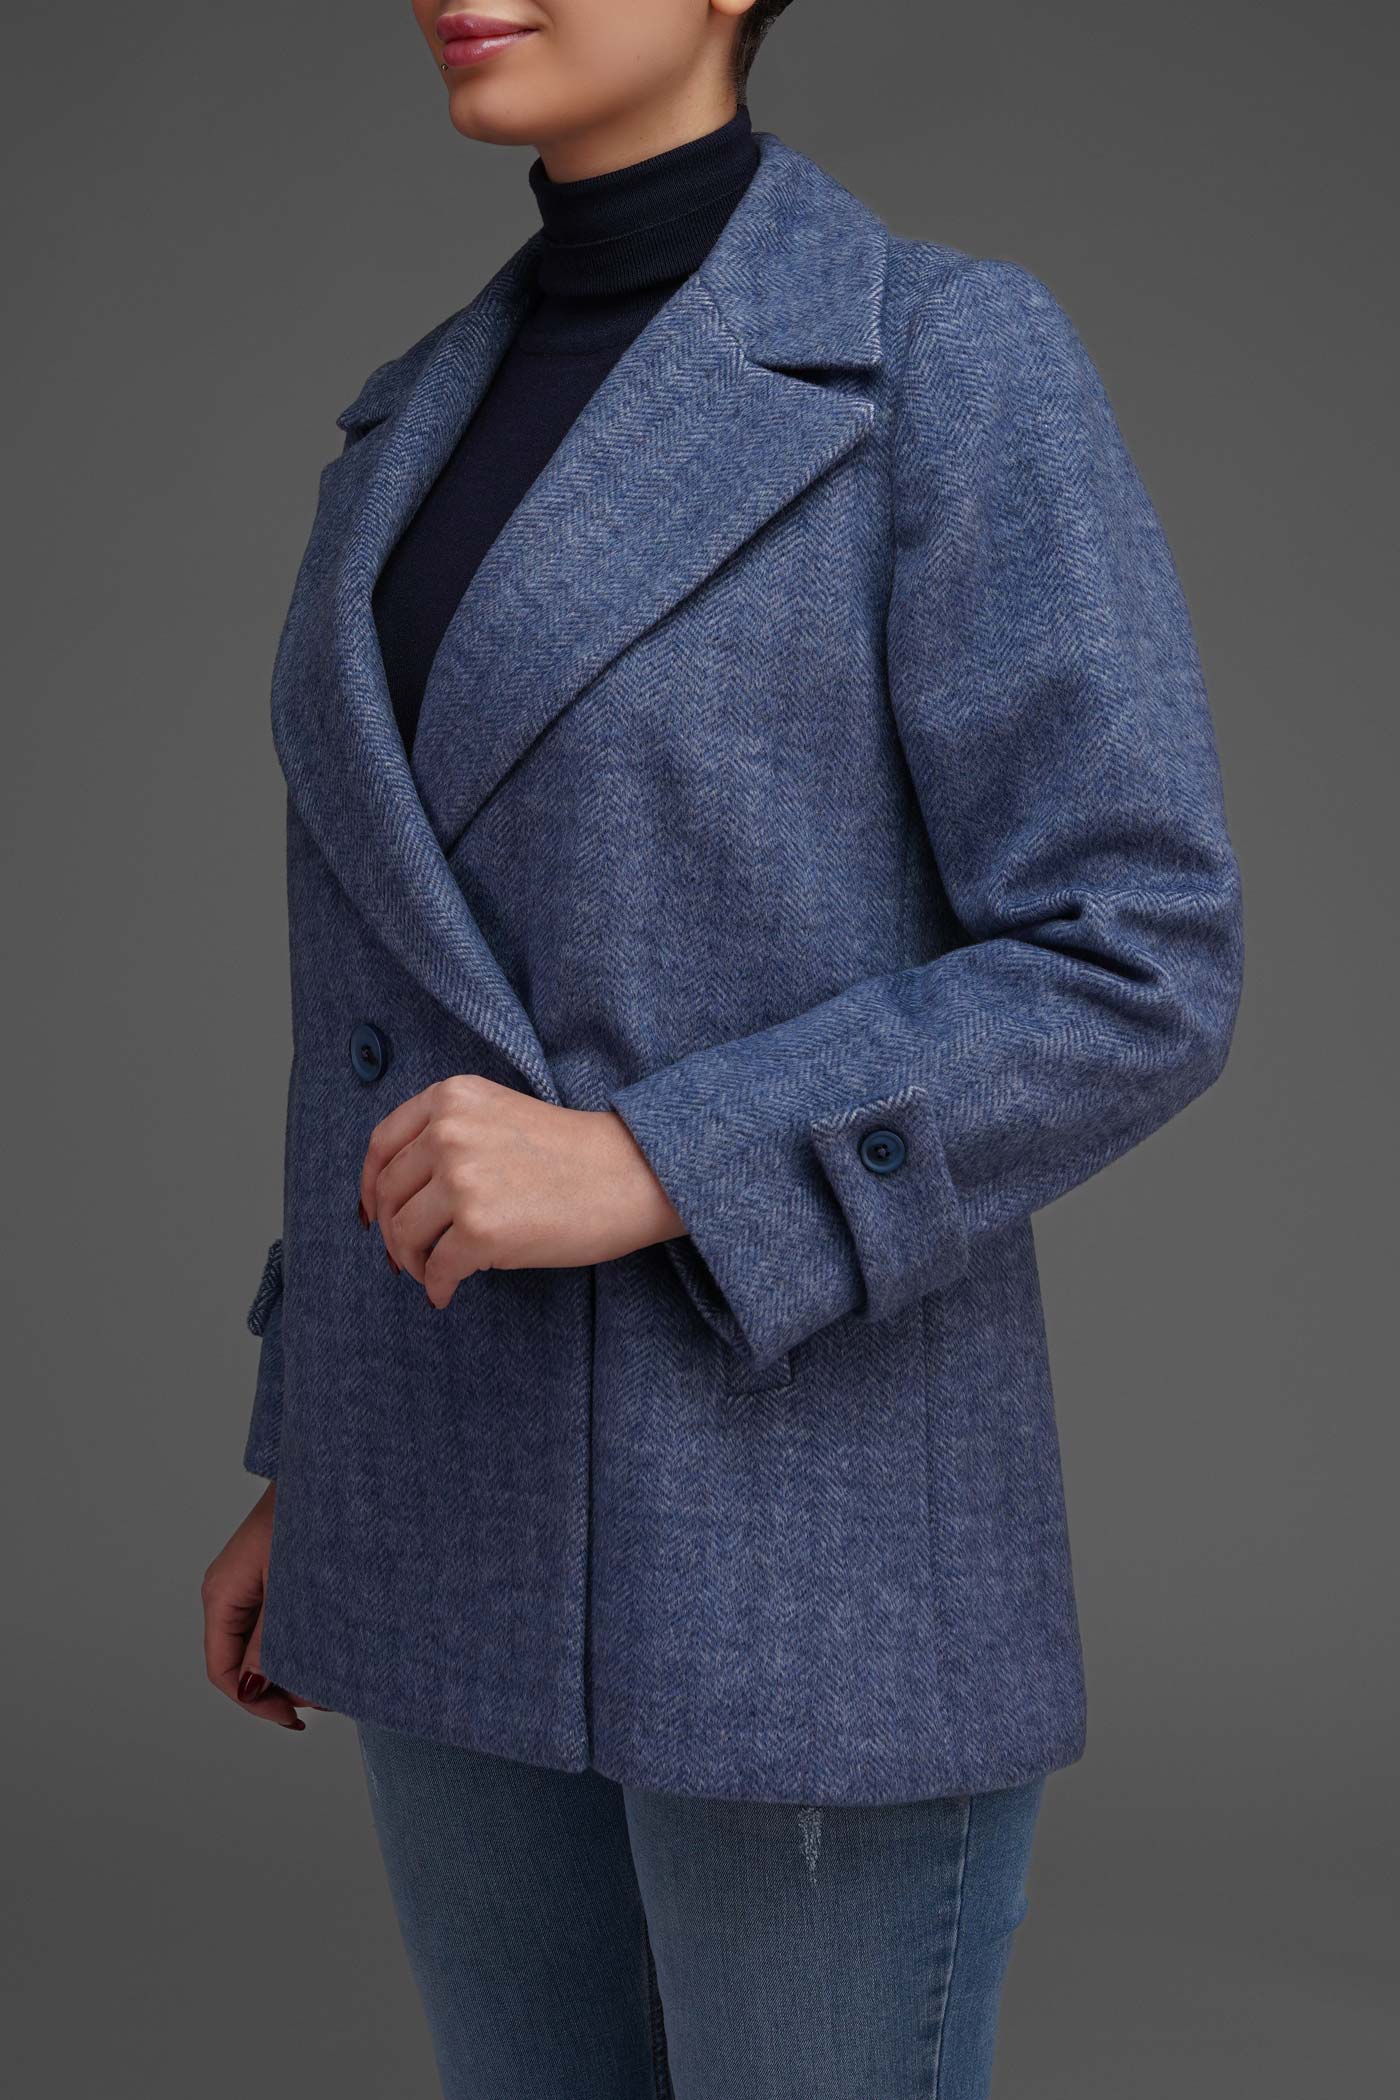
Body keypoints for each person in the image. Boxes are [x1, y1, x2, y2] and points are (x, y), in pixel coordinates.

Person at [201, 4, 1245, 2093]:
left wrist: (662, 1160)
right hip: (439, 1498)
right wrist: (311, 1447)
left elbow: (1139, 953)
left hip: (802, 1531)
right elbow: (385, 1004)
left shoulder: (939, 358)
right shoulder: (406, 429)